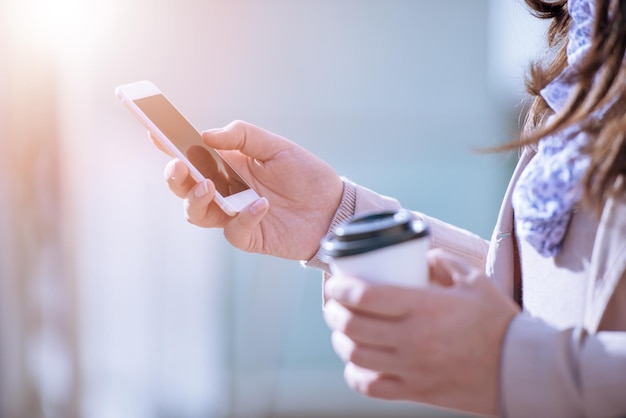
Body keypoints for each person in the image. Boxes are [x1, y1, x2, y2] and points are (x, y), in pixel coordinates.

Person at [161, 0, 626, 416]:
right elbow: (550, 311)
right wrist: (333, 219)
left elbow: (536, 342)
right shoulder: (587, 60)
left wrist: (512, 358)